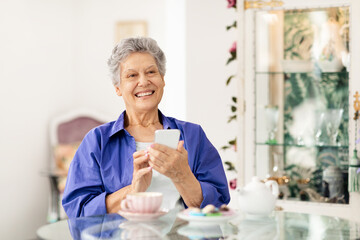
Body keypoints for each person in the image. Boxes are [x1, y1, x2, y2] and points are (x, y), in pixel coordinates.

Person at [62, 37, 230, 218]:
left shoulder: (193, 135)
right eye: (132, 75)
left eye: (151, 72)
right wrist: (133, 190)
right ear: (118, 88)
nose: (143, 82)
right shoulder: (97, 141)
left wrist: (183, 176)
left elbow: (219, 206)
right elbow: (78, 212)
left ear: (162, 79)